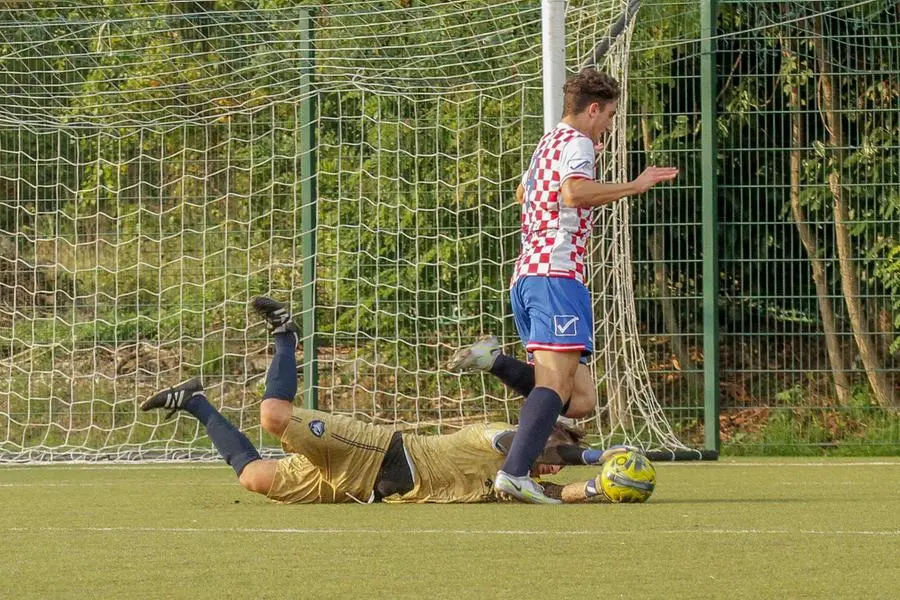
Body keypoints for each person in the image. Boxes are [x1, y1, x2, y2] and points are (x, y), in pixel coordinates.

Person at [140, 297, 629, 505]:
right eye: (554, 442)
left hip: (359, 490)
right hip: (374, 451)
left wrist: (604, 488)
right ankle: (287, 336)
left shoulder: (513, 482)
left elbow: (559, 492)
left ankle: (197, 402)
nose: (550, 464)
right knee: (273, 415)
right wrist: (592, 455)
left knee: (253, 478)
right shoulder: (499, 442)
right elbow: (541, 447)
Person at [447, 68, 678, 503]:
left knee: (581, 399)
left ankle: (492, 360)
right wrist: (635, 184)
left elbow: (523, 193)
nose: (609, 125)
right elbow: (573, 193)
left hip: (531, 273)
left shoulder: (548, 142)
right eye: (609, 115)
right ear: (593, 109)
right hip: (556, 274)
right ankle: (515, 473)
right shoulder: (578, 143)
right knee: (553, 387)